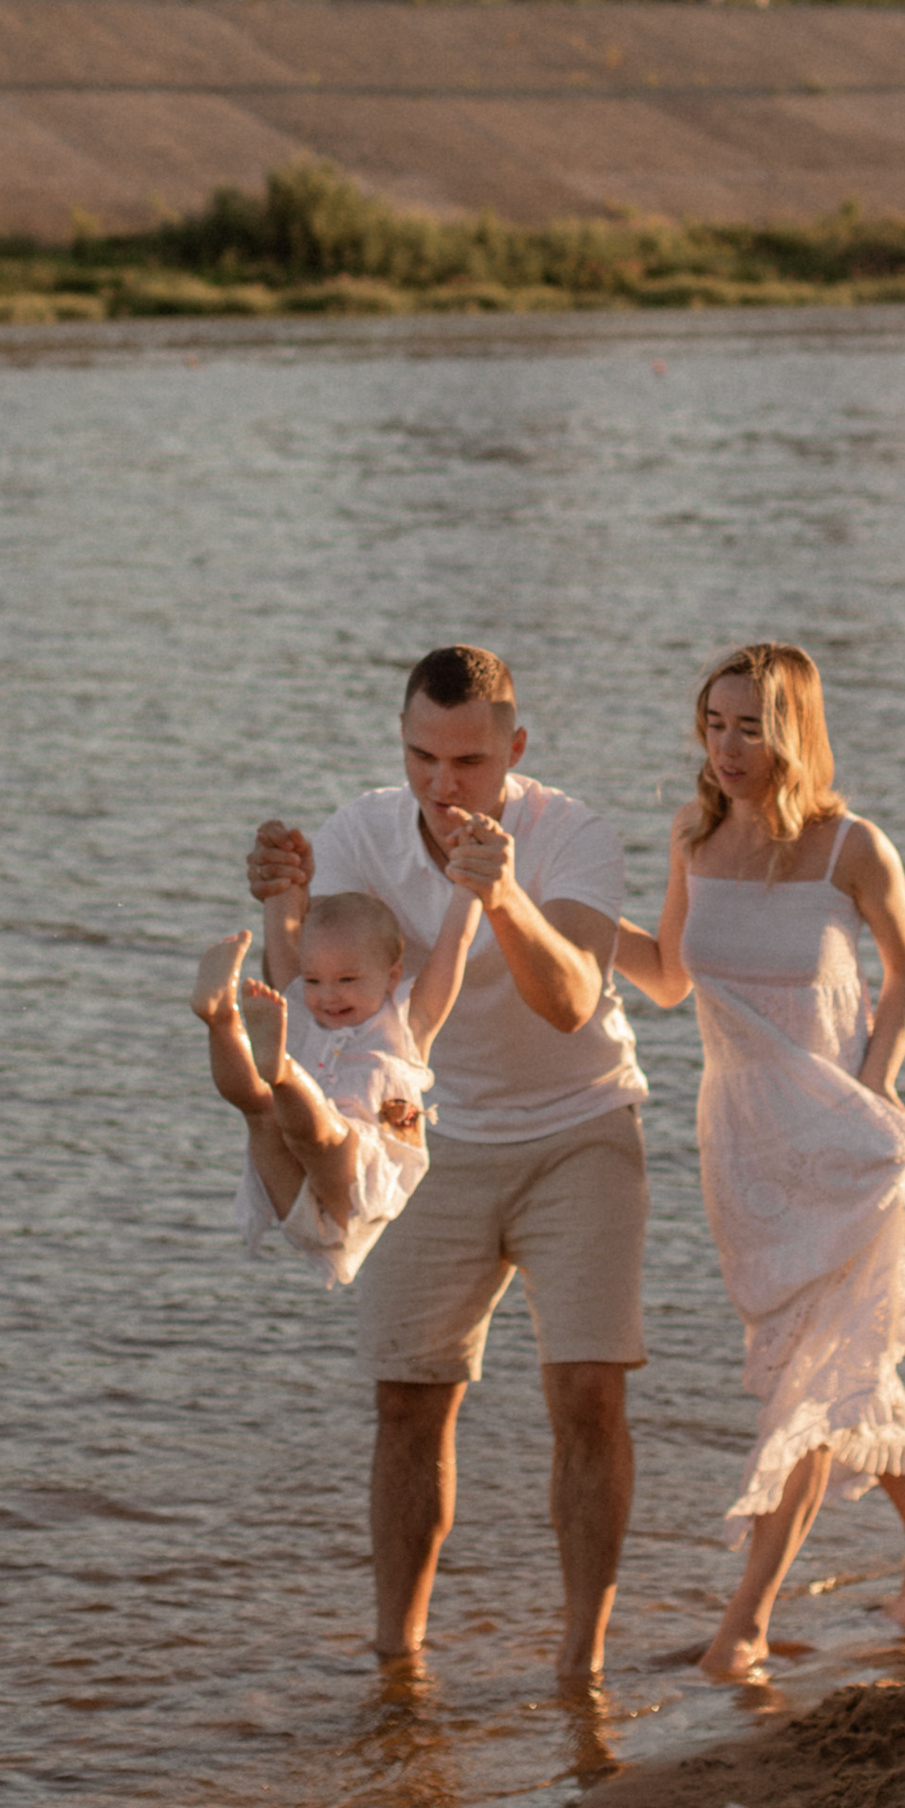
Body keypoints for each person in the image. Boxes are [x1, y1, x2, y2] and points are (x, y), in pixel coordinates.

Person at [248, 644, 643, 1686]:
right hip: (427, 1138)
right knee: (406, 1400)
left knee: (588, 1393)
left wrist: (503, 896)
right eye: (421, 755)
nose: (440, 784)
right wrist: (277, 906)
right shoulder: (361, 834)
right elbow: (310, 999)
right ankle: (396, 1662)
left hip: (580, 1127)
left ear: (513, 750)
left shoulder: (571, 836)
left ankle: (579, 1664)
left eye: (466, 762)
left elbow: (570, 1005)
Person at [617, 642, 905, 1679]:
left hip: (840, 1141)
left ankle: (746, 1627)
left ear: (792, 729)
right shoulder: (692, 833)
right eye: (713, 724)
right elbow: (672, 978)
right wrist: (571, 926)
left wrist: (882, 1076)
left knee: (812, 1385)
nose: (725, 747)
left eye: (749, 726)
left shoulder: (848, 846)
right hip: (742, 1148)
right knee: (839, 1362)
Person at [192, 881, 478, 1287]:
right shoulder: (300, 1011)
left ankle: (228, 1026)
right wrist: (281, 890)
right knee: (283, 1120)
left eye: (346, 980)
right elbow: (286, 940)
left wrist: (470, 888)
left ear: (392, 976)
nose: (327, 996)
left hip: (325, 1174)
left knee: (265, 1111)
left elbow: (456, 944)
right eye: (313, 981)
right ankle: (227, 1026)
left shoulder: (406, 1026)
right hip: (344, 1197)